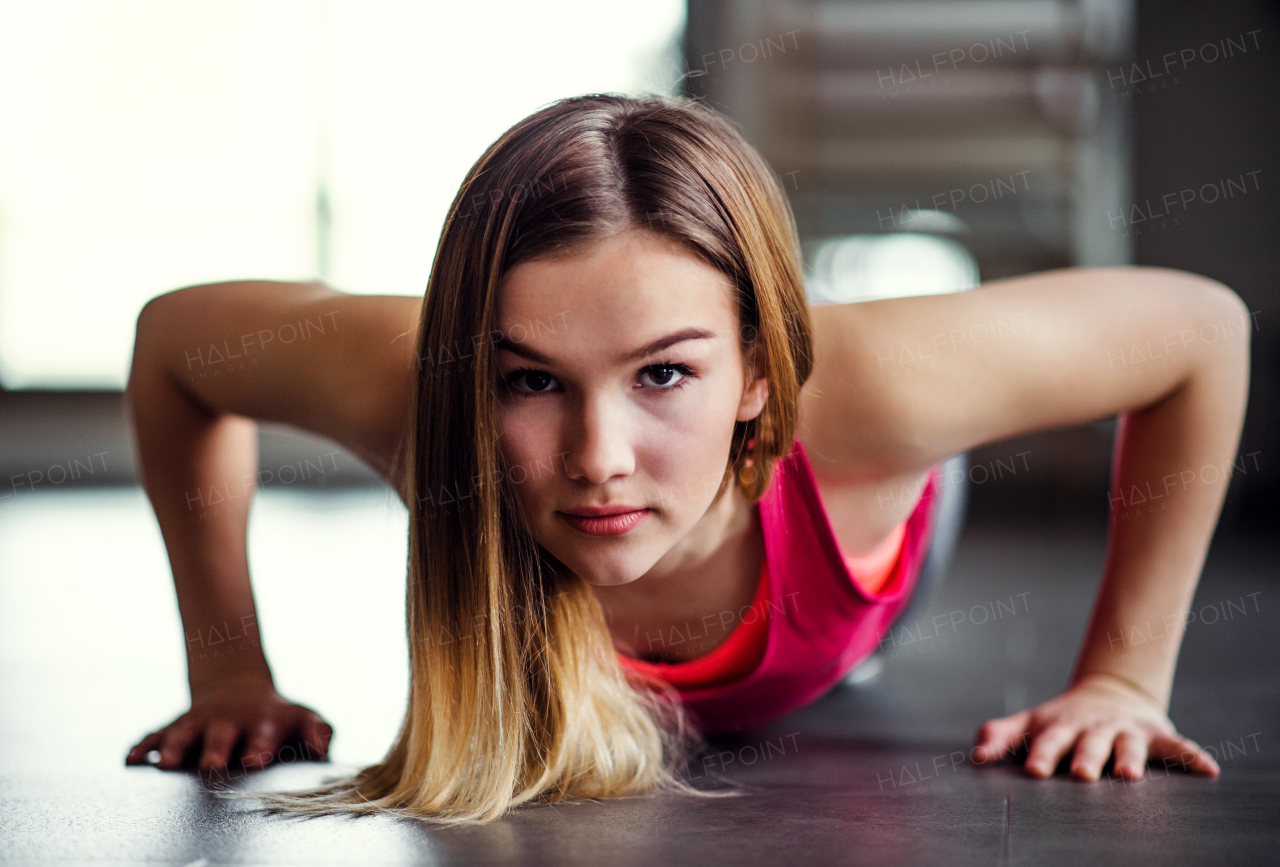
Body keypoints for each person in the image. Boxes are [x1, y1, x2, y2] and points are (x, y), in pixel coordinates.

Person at [124, 94, 1243, 825]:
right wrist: (228, 669)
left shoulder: (878, 389)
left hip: (854, 525)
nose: (595, 459)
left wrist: (1121, 678)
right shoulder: (412, 386)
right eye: (529, 380)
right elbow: (175, 344)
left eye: (662, 373)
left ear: (757, 369)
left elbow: (1198, 331)